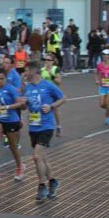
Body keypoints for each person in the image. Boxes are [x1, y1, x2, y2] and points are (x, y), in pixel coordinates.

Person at [22, 61, 66, 201]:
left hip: (46, 126)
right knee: (42, 158)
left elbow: (63, 98)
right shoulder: (27, 87)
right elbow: (25, 106)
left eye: (26, 71)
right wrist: (23, 104)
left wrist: (51, 106)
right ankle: (52, 181)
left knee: (36, 156)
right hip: (33, 126)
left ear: (33, 71)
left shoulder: (47, 85)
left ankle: (42, 186)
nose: (25, 73)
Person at [0, 67, 28, 184]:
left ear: (6, 78)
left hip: (11, 119)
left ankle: (20, 166)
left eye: (2, 79)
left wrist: (7, 107)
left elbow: (20, 103)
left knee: (12, 146)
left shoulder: (11, 88)